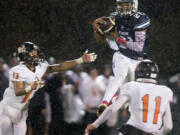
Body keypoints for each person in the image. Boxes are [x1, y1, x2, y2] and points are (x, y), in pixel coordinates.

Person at [0, 41, 97, 135]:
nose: (36, 55)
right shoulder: (17, 71)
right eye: (33, 53)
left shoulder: (37, 68)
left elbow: (60, 67)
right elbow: (18, 91)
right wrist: (31, 88)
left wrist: (80, 60)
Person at [92, 0, 151, 116]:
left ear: (134, 4)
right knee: (120, 76)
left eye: (127, 4)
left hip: (138, 59)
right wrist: (95, 27)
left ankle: (116, 100)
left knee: (133, 98)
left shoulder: (140, 19)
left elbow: (138, 47)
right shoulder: (113, 18)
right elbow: (101, 40)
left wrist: (118, 39)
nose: (124, 7)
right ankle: (104, 103)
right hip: (122, 55)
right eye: (121, 4)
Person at [85, 60, 173, 135]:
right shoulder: (164, 91)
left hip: (132, 131)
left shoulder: (132, 86)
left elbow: (112, 109)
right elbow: (168, 126)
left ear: (138, 72)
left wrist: (95, 124)